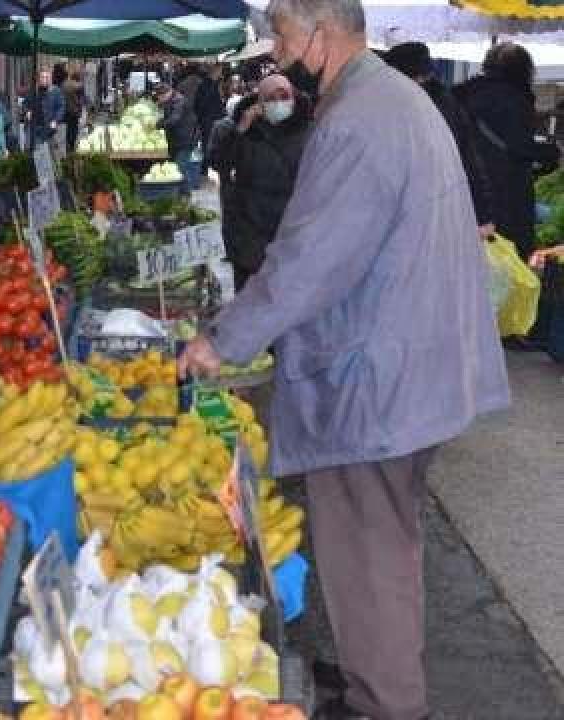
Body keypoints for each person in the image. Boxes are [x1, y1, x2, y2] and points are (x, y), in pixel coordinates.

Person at [177, 1, 510, 718]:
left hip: (380, 375)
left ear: (321, 36)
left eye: (285, 35)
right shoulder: (392, 98)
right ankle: (375, 676)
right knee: (384, 540)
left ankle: (388, 702)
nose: (277, 51)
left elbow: (307, 259)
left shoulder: (359, 119)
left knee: (369, 545)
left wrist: (222, 339)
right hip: (408, 363)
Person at [455, 43, 561, 260]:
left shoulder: (463, 95)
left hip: (469, 188)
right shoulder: (514, 99)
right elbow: (520, 146)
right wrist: (551, 152)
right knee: (509, 257)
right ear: (523, 69)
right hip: (507, 193)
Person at [208, 73, 313, 290]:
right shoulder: (246, 132)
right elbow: (219, 163)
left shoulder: (310, 133)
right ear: (259, 103)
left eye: (283, 96)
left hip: (292, 232)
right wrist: (241, 129)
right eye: (270, 98)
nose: (278, 102)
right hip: (251, 235)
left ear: (293, 98)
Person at [384, 42, 496, 241]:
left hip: (421, 210)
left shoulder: (424, 106)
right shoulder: (446, 101)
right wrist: (483, 213)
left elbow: (466, 159)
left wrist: (483, 214)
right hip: (437, 208)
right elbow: (469, 159)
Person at [154, 82, 200, 190]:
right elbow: (168, 117)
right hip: (178, 140)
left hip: (186, 140)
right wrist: (159, 122)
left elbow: (174, 119)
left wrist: (159, 125)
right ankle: (180, 195)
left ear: (165, 94)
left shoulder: (178, 101)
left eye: (159, 97)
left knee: (181, 168)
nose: (158, 101)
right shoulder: (172, 100)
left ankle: (186, 195)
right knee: (178, 168)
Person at [26, 70, 65, 155]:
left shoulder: (55, 91)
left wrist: (56, 120)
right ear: (38, 79)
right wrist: (28, 111)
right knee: (37, 153)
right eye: (42, 77)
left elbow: (61, 107)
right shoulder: (33, 91)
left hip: (50, 128)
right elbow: (27, 103)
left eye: (47, 77)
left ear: (50, 79)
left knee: (52, 153)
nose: (44, 79)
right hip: (36, 127)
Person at [63, 70, 87, 154]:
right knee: (74, 128)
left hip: (66, 110)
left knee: (68, 128)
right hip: (75, 111)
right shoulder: (79, 86)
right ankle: (72, 146)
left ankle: (67, 145)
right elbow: (82, 100)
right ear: (78, 78)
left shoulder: (65, 85)